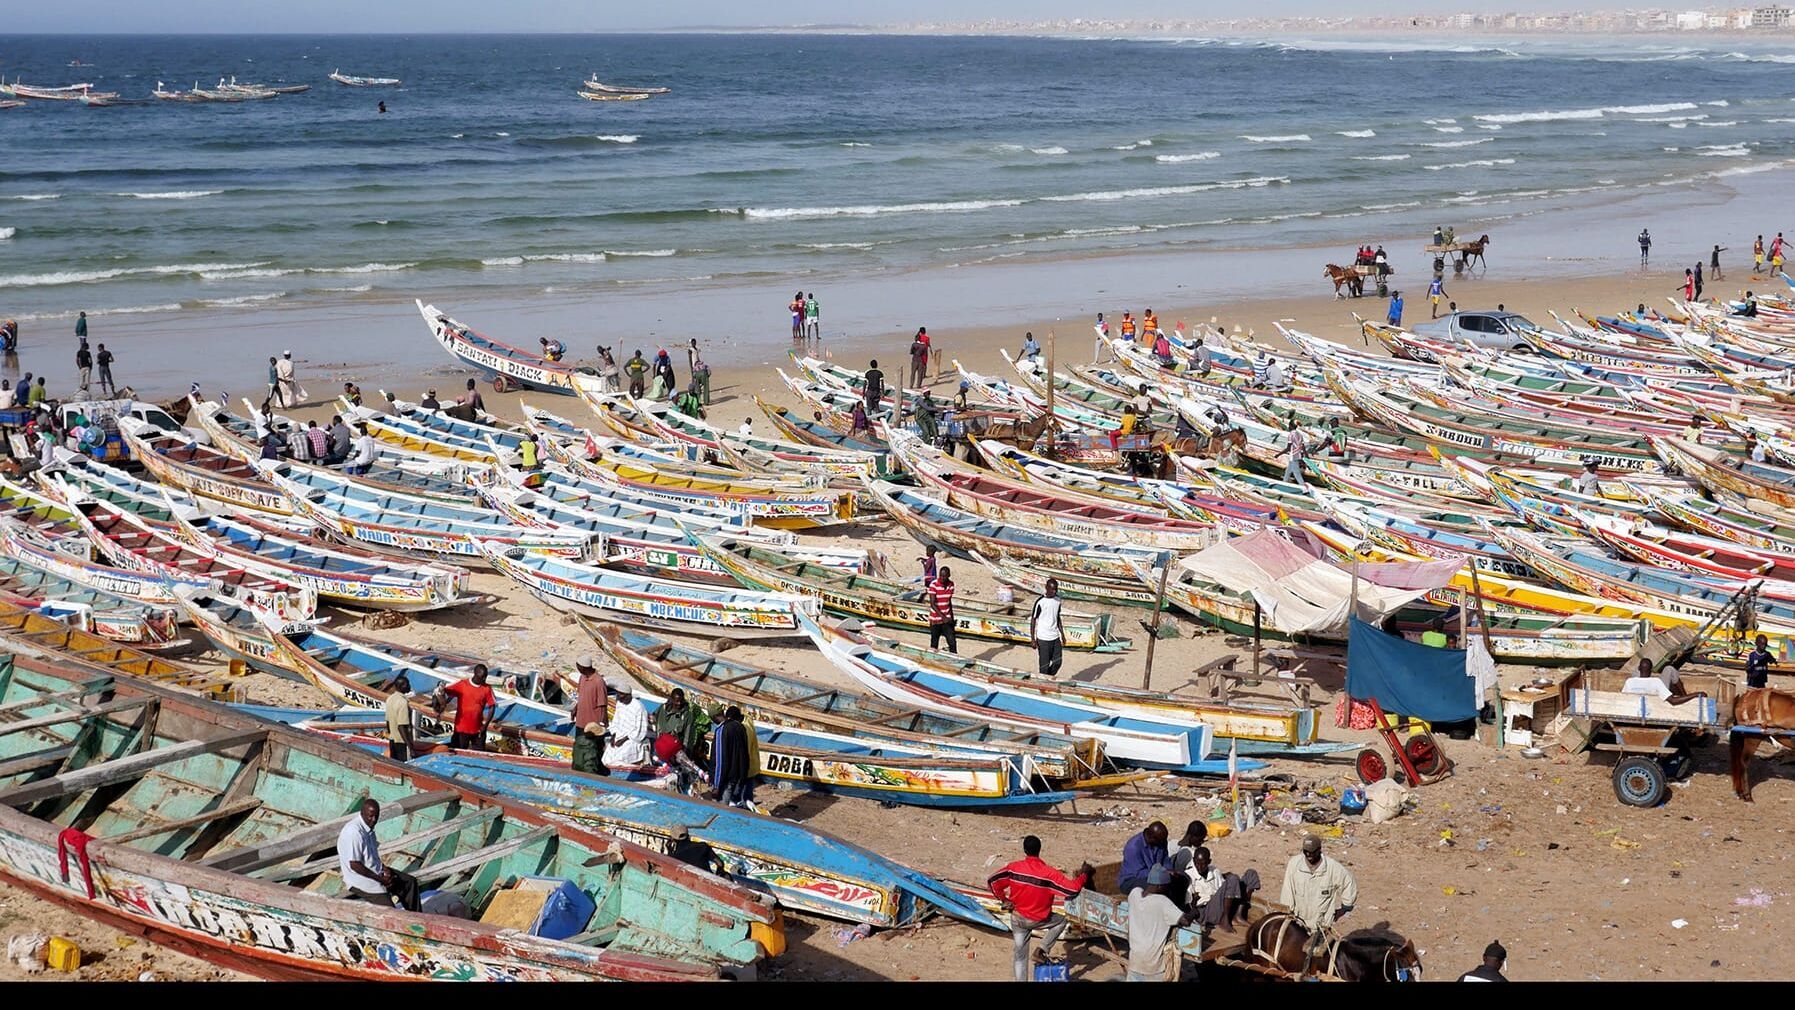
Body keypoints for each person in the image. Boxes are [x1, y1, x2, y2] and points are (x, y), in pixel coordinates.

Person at [987, 835, 1092, 983]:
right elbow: (1072, 890)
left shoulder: (1014, 868)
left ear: (1024, 850)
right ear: (1040, 850)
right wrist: (1084, 875)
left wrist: (1004, 899)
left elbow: (992, 881)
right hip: (1039, 919)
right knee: (1061, 922)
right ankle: (1042, 949)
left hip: (1017, 918)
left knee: (1020, 955)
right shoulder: (1049, 873)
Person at [338, 798, 421, 911]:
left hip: (376, 872)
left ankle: (416, 919)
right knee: (390, 911)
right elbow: (354, 865)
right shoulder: (354, 832)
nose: (374, 820)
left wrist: (384, 869)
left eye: (376, 816)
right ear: (362, 813)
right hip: (360, 879)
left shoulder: (369, 828)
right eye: (370, 816)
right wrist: (381, 880)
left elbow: (372, 857)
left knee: (410, 883)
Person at [1125, 865, 1194, 982]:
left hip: (1135, 962)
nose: (1168, 890)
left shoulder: (1134, 894)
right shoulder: (1163, 902)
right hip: (1154, 967)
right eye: (1167, 886)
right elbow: (1185, 921)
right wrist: (1193, 913)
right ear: (1160, 886)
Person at [1281, 836, 1357, 939]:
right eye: (1306, 851)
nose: (1308, 855)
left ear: (1319, 850)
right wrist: (1287, 915)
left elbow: (1348, 883)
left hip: (1321, 927)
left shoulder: (1333, 868)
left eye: (1312, 852)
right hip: (1297, 925)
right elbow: (1287, 892)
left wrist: (1344, 909)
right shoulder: (1294, 864)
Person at [1187, 846, 1259, 933]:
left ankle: (1238, 915)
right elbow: (1189, 903)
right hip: (1206, 912)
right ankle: (1224, 920)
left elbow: (1224, 889)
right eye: (1197, 863)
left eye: (1203, 864)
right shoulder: (1189, 876)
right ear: (1193, 860)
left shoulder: (1214, 871)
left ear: (1209, 862)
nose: (1199, 867)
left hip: (1220, 906)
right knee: (1233, 878)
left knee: (1251, 874)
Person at [434, 664, 496, 751]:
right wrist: (440, 693)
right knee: (457, 751)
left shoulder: (487, 688)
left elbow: (492, 707)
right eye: (481, 677)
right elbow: (444, 691)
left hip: (478, 729)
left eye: (485, 677)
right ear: (475, 674)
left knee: (480, 754)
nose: (484, 679)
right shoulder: (462, 684)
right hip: (461, 729)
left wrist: (485, 726)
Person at [571, 656, 610, 776]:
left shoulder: (598, 681)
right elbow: (581, 696)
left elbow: (602, 704)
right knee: (579, 747)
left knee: (593, 750)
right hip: (581, 721)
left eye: (578, 666)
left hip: (592, 724)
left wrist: (601, 723)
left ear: (583, 667)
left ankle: (595, 773)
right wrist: (576, 708)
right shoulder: (582, 678)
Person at [711, 705, 753, 807]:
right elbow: (745, 753)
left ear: (714, 717)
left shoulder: (722, 730)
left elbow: (720, 760)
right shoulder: (741, 727)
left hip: (726, 779)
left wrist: (716, 785)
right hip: (739, 777)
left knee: (720, 810)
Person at [653, 687, 707, 764]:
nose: (679, 703)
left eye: (681, 701)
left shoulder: (687, 715)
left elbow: (688, 738)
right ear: (671, 699)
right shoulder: (663, 709)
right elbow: (654, 719)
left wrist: (685, 756)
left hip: (674, 753)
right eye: (677, 701)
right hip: (660, 748)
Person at [604, 682, 651, 767]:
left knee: (619, 759)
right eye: (617, 694)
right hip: (618, 735)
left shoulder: (638, 707)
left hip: (632, 739)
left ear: (628, 695)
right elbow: (616, 721)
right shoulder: (620, 703)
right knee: (606, 759)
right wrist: (613, 735)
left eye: (620, 695)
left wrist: (623, 740)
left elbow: (639, 731)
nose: (618, 697)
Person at [1118, 821, 1170, 895]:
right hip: (1131, 880)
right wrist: (1162, 873)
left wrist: (1170, 871)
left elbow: (1166, 860)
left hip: (1156, 875)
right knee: (1156, 887)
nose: (1164, 842)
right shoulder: (1133, 847)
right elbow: (1139, 873)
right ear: (1152, 838)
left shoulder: (1160, 841)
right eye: (1161, 840)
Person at [1031, 578, 1064, 678]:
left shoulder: (1058, 600)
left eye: (1055, 590)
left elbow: (1057, 617)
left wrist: (1063, 634)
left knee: (1058, 662)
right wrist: (1033, 639)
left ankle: (1047, 678)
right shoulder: (1040, 602)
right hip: (1043, 638)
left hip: (1055, 637)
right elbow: (1033, 620)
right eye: (1052, 589)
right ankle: (1043, 681)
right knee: (1044, 666)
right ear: (1046, 588)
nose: (1054, 592)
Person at [382, 674, 415, 762]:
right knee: (404, 765)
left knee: (395, 763)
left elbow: (388, 721)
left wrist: (391, 734)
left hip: (393, 739)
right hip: (402, 741)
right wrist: (410, 747)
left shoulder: (390, 698)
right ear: (401, 686)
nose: (409, 686)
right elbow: (401, 726)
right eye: (407, 684)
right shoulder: (403, 702)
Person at [927, 565, 957, 653]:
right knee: (934, 642)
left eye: (944, 576)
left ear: (948, 576)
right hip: (936, 619)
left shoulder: (951, 585)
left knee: (952, 641)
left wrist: (951, 617)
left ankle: (954, 659)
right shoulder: (934, 585)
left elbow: (949, 602)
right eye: (941, 576)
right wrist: (943, 617)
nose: (942, 578)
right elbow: (932, 604)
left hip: (947, 619)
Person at [1281, 419, 1308, 486]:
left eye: (1289, 425)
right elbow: (1303, 447)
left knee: (1297, 474)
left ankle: (1303, 487)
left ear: (1290, 426)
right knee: (1288, 471)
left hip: (1293, 456)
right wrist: (1306, 456)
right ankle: (1284, 483)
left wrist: (1278, 454)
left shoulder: (1291, 435)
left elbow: (1288, 448)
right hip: (1297, 456)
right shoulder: (1300, 435)